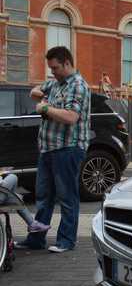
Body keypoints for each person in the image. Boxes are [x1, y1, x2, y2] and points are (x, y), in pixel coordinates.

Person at [15, 46, 90, 253]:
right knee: (43, 198)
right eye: (50, 68)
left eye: (55, 68)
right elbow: (35, 93)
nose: (53, 72)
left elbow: (71, 117)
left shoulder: (77, 86)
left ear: (67, 63)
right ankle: (36, 239)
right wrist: (35, 92)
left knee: (67, 198)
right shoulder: (56, 84)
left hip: (68, 149)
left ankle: (66, 241)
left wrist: (45, 107)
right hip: (48, 149)